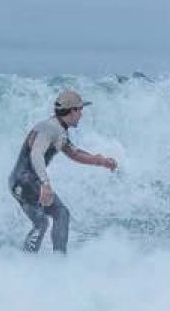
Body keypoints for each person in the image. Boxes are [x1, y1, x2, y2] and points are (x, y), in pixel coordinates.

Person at [8, 89, 118, 254]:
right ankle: (60, 263)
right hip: (27, 181)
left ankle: (24, 261)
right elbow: (36, 153)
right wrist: (45, 183)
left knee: (41, 223)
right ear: (73, 111)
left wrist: (100, 161)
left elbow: (74, 153)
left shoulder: (57, 129)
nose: (82, 114)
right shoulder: (50, 128)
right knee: (61, 214)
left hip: (18, 182)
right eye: (80, 110)